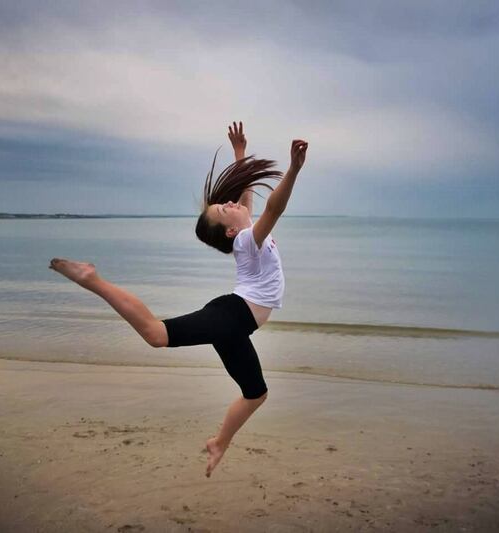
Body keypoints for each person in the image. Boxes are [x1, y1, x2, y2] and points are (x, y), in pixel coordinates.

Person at [49, 121, 308, 477]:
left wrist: (239, 154)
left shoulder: (244, 233)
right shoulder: (248, 240)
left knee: (256, 394)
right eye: (223, 209)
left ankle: (219, 443)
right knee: (156, 334)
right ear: (231, 230)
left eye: (227, 203)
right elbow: (274, 209)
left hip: (235, 325)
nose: (231, 203)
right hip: (232, 318)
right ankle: (93, 280)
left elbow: (245, 196)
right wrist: (293, 170)